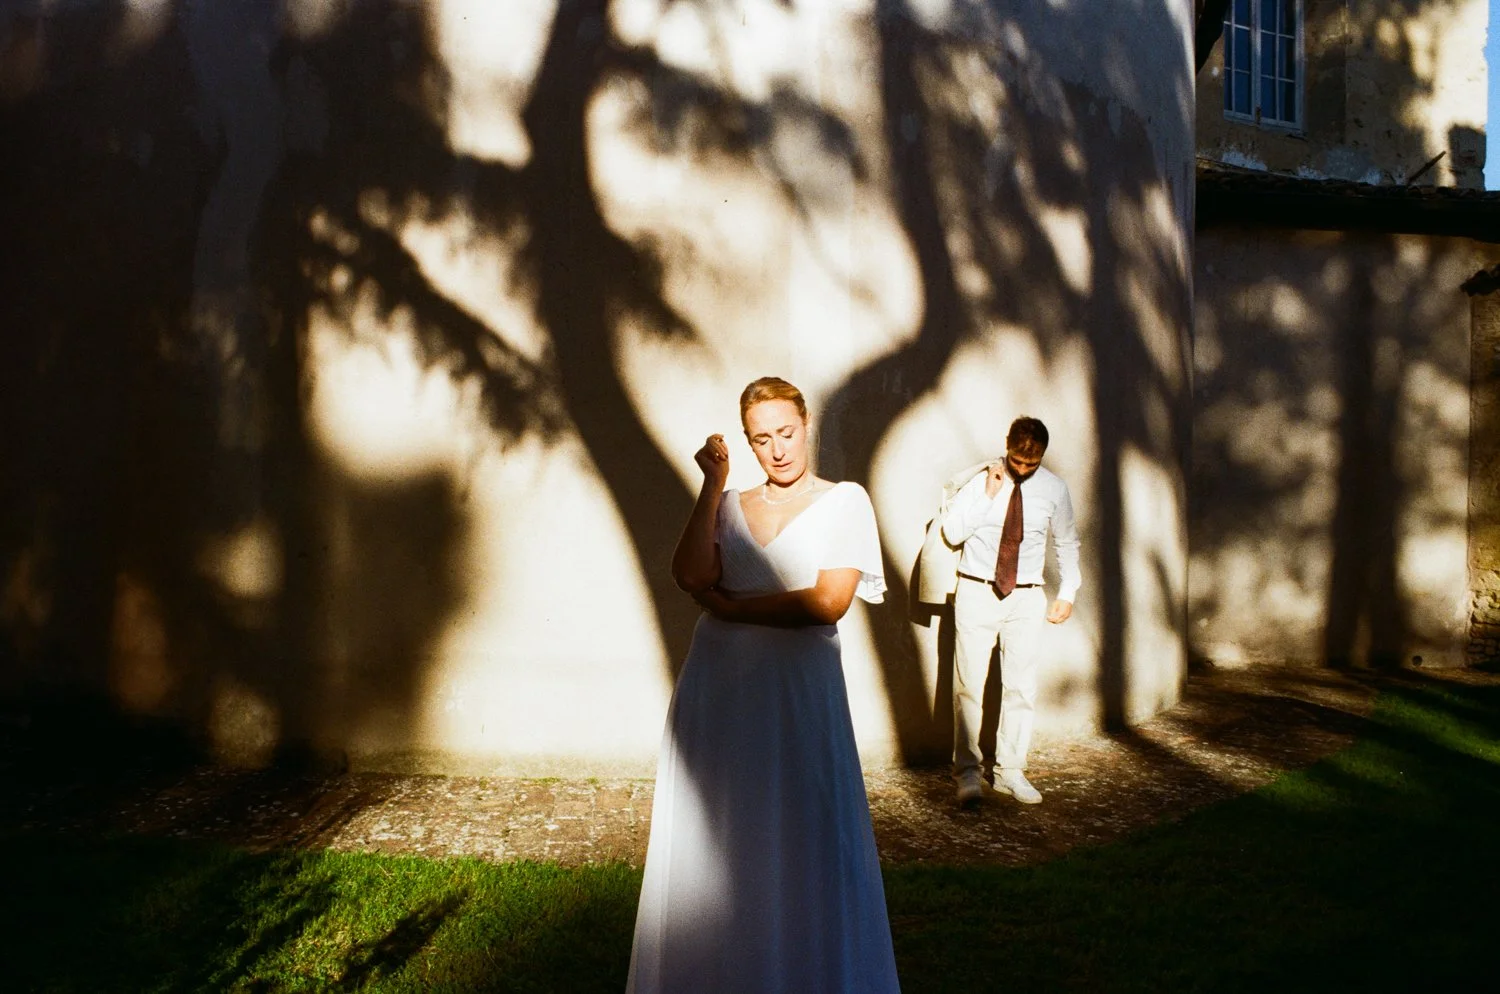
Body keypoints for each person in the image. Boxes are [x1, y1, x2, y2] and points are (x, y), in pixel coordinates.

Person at [625, 377, 901, 994]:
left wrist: (731, 608)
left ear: (807, 426)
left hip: (798, 695)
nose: (776, 449)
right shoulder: (728, 503)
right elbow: (691, 573)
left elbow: (829, 601)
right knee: (719, 834)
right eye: (760, 439)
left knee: (803, 836)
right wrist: (712, 484)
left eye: (786, 432)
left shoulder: (846, 500)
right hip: (719, 692)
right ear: (747, 443)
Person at [939, 416, 1080, 807]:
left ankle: (1010, 772)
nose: (1021, 469)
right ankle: (967, 774)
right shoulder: (981, 479)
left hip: (1026, 595)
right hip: (976, 589)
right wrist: (987, 493)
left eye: (1030, 465)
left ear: (1041, 457)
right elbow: (952, 533)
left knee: (1020, 686)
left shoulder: (1054, 489)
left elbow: (1067, 543)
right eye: (1017, 460)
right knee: (968, 685)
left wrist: (1067, 591)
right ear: (1008, 445)